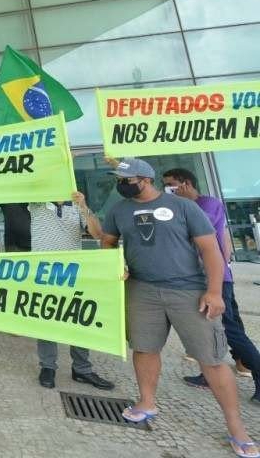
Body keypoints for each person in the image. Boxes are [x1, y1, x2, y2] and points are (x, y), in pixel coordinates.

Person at [99, 158, 257, 457]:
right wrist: (115, 263)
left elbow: (210, 249)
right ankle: (147, 402)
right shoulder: (119, 210)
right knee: (144, 348)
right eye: (118, 180)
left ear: (146, 179)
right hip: (142, 290)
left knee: (211, 358)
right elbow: (107, 242)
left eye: (126, 180)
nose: (121, 185)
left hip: (189, 291)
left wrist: (214, 292)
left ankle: (237, 428)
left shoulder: (184, 207)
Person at [163, 168, 260, 400]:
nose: (167, 189)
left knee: (230, 331)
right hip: (205, 278)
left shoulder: (208, 204)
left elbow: (195, 230)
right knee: (213, 331)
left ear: (186, 184)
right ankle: (210, 374)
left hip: (216, 281)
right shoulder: (188, 205)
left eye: (170, 185)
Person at [27, 194, 114, 390]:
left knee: (78, 319)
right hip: (44, 272)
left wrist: (83, 206)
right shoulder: (37, 201)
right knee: (46, 319)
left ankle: (82, 369)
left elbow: (97, 234)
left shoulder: (76, 205)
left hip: (72, 272)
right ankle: (48, 367)